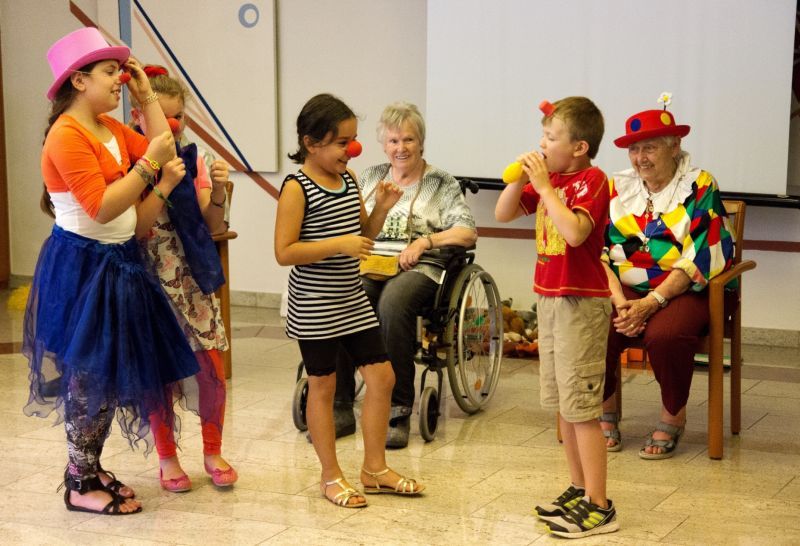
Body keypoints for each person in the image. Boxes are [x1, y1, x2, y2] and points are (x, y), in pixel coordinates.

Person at [23, 27, 201, 515]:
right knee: (88, 378)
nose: (119, 80)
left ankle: (90, 466)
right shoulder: (67, 134)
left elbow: (163, 148)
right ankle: (79, 481)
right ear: (78, 80)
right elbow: (101, 207)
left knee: (106, 376)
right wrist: (148, 169)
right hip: (84, 267)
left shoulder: (108, 128)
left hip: (119, 262)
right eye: (109, 72)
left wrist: (147, 97)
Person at [274, 93, 424, 508]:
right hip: (315, 303)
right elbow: (284, 251)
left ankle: (374, 469)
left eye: (353, 140)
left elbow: (364, 236)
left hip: (350, 299)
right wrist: (338, 244)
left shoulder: (349, 179)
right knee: (323, 386)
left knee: (383, 378)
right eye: (342, 142)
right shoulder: (296, 188)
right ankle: (330, 476)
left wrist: (382, 209)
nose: (352, 149)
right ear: (311, 143)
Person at [495, 97, 618, 538]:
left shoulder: (591, 181)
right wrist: (519, 179)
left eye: (551, 137)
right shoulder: (553, 179)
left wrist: (546, 188)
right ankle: (579, 487)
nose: (542, 144)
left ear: (580, 147)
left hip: (580, 304)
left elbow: (575, 233)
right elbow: (503, 213)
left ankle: (600, 506)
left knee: (582, 408)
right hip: (548, 300)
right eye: (542, 136)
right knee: (564, 406)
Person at [334, 101, 478, 448]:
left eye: (409, 140)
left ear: (421, 142)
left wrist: (426, 241)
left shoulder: (440, 182)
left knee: (393, 304)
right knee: (345, 298)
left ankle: (397, 408)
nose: (401, 148)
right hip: (372, 263)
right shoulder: (370, 177)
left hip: (422, 264)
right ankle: (340, 404)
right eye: (394, 141)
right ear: (384, 145)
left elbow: (467, 231)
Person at [599, 100, 735, 459]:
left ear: (675, 147)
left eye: (650, 148)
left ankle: (673, 415)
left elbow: (704, 253)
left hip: (687, 287)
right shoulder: (617, 187)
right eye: (634, 149)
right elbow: (598, 251)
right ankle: (604, 409)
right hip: (624, 288)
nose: (640, 158)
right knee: (593, 322)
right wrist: (620, 302)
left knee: (666, 335)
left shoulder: (699, 185)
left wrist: (650, 302)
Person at [131, 65, 236, 491]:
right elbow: (135, 227)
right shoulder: (126, 159)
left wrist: (220, 191)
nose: (171, 125)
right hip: (148, 277)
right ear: (138, 115)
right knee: (159, 371)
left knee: (211, 367)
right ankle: (167, 458)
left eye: (177, 117)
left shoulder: (195, 158)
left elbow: (213, 225)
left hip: (191, 276)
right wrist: (164, 182)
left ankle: (213, 450)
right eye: (162, 116)